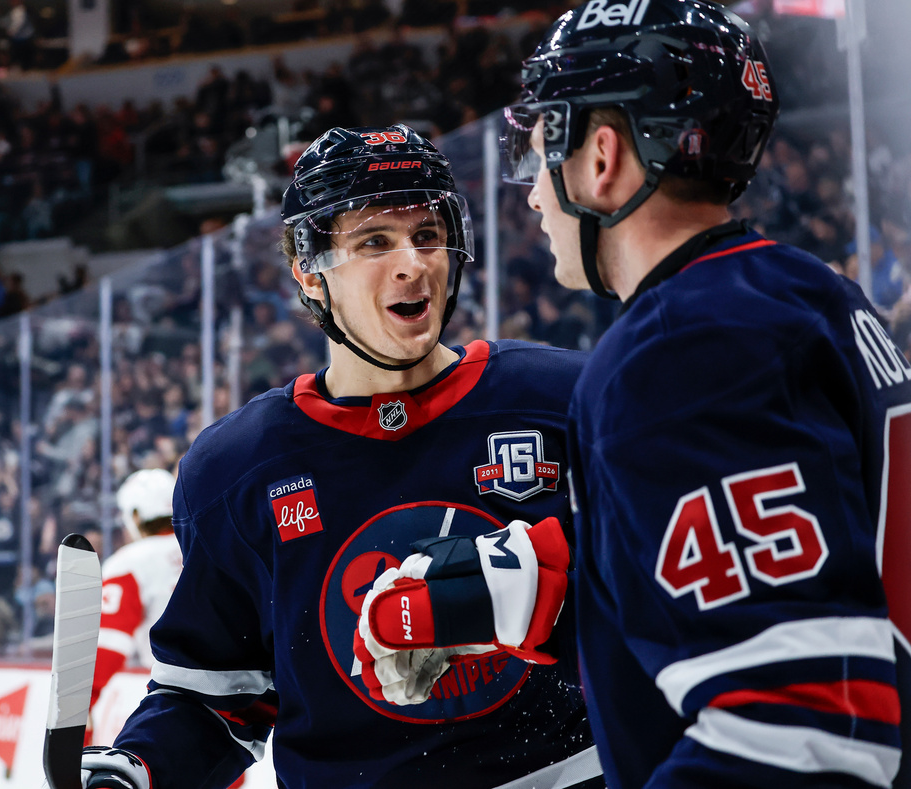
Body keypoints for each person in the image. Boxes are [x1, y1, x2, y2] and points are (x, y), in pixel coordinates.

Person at [361, 3, 911, 788]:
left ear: (604, 157)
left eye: (541, 147)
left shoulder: (678, 351)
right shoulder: (804, 290)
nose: (532, 195)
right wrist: (537, 578)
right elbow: (817, 546)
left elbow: (798, 725)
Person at [70, 124, 600, 789]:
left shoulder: (562, 397)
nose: (413, 262)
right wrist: (139, 769)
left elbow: (658, 593)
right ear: (308, 271)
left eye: (427, 235)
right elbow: (213, 696)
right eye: (375, 240)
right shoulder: (236, 467)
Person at [88, 469, 181, 716]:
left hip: (173, 698)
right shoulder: (207, 547)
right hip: (242, 696)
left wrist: (80, 708)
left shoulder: (130, 562)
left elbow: (110, 646)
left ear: (136, 515)